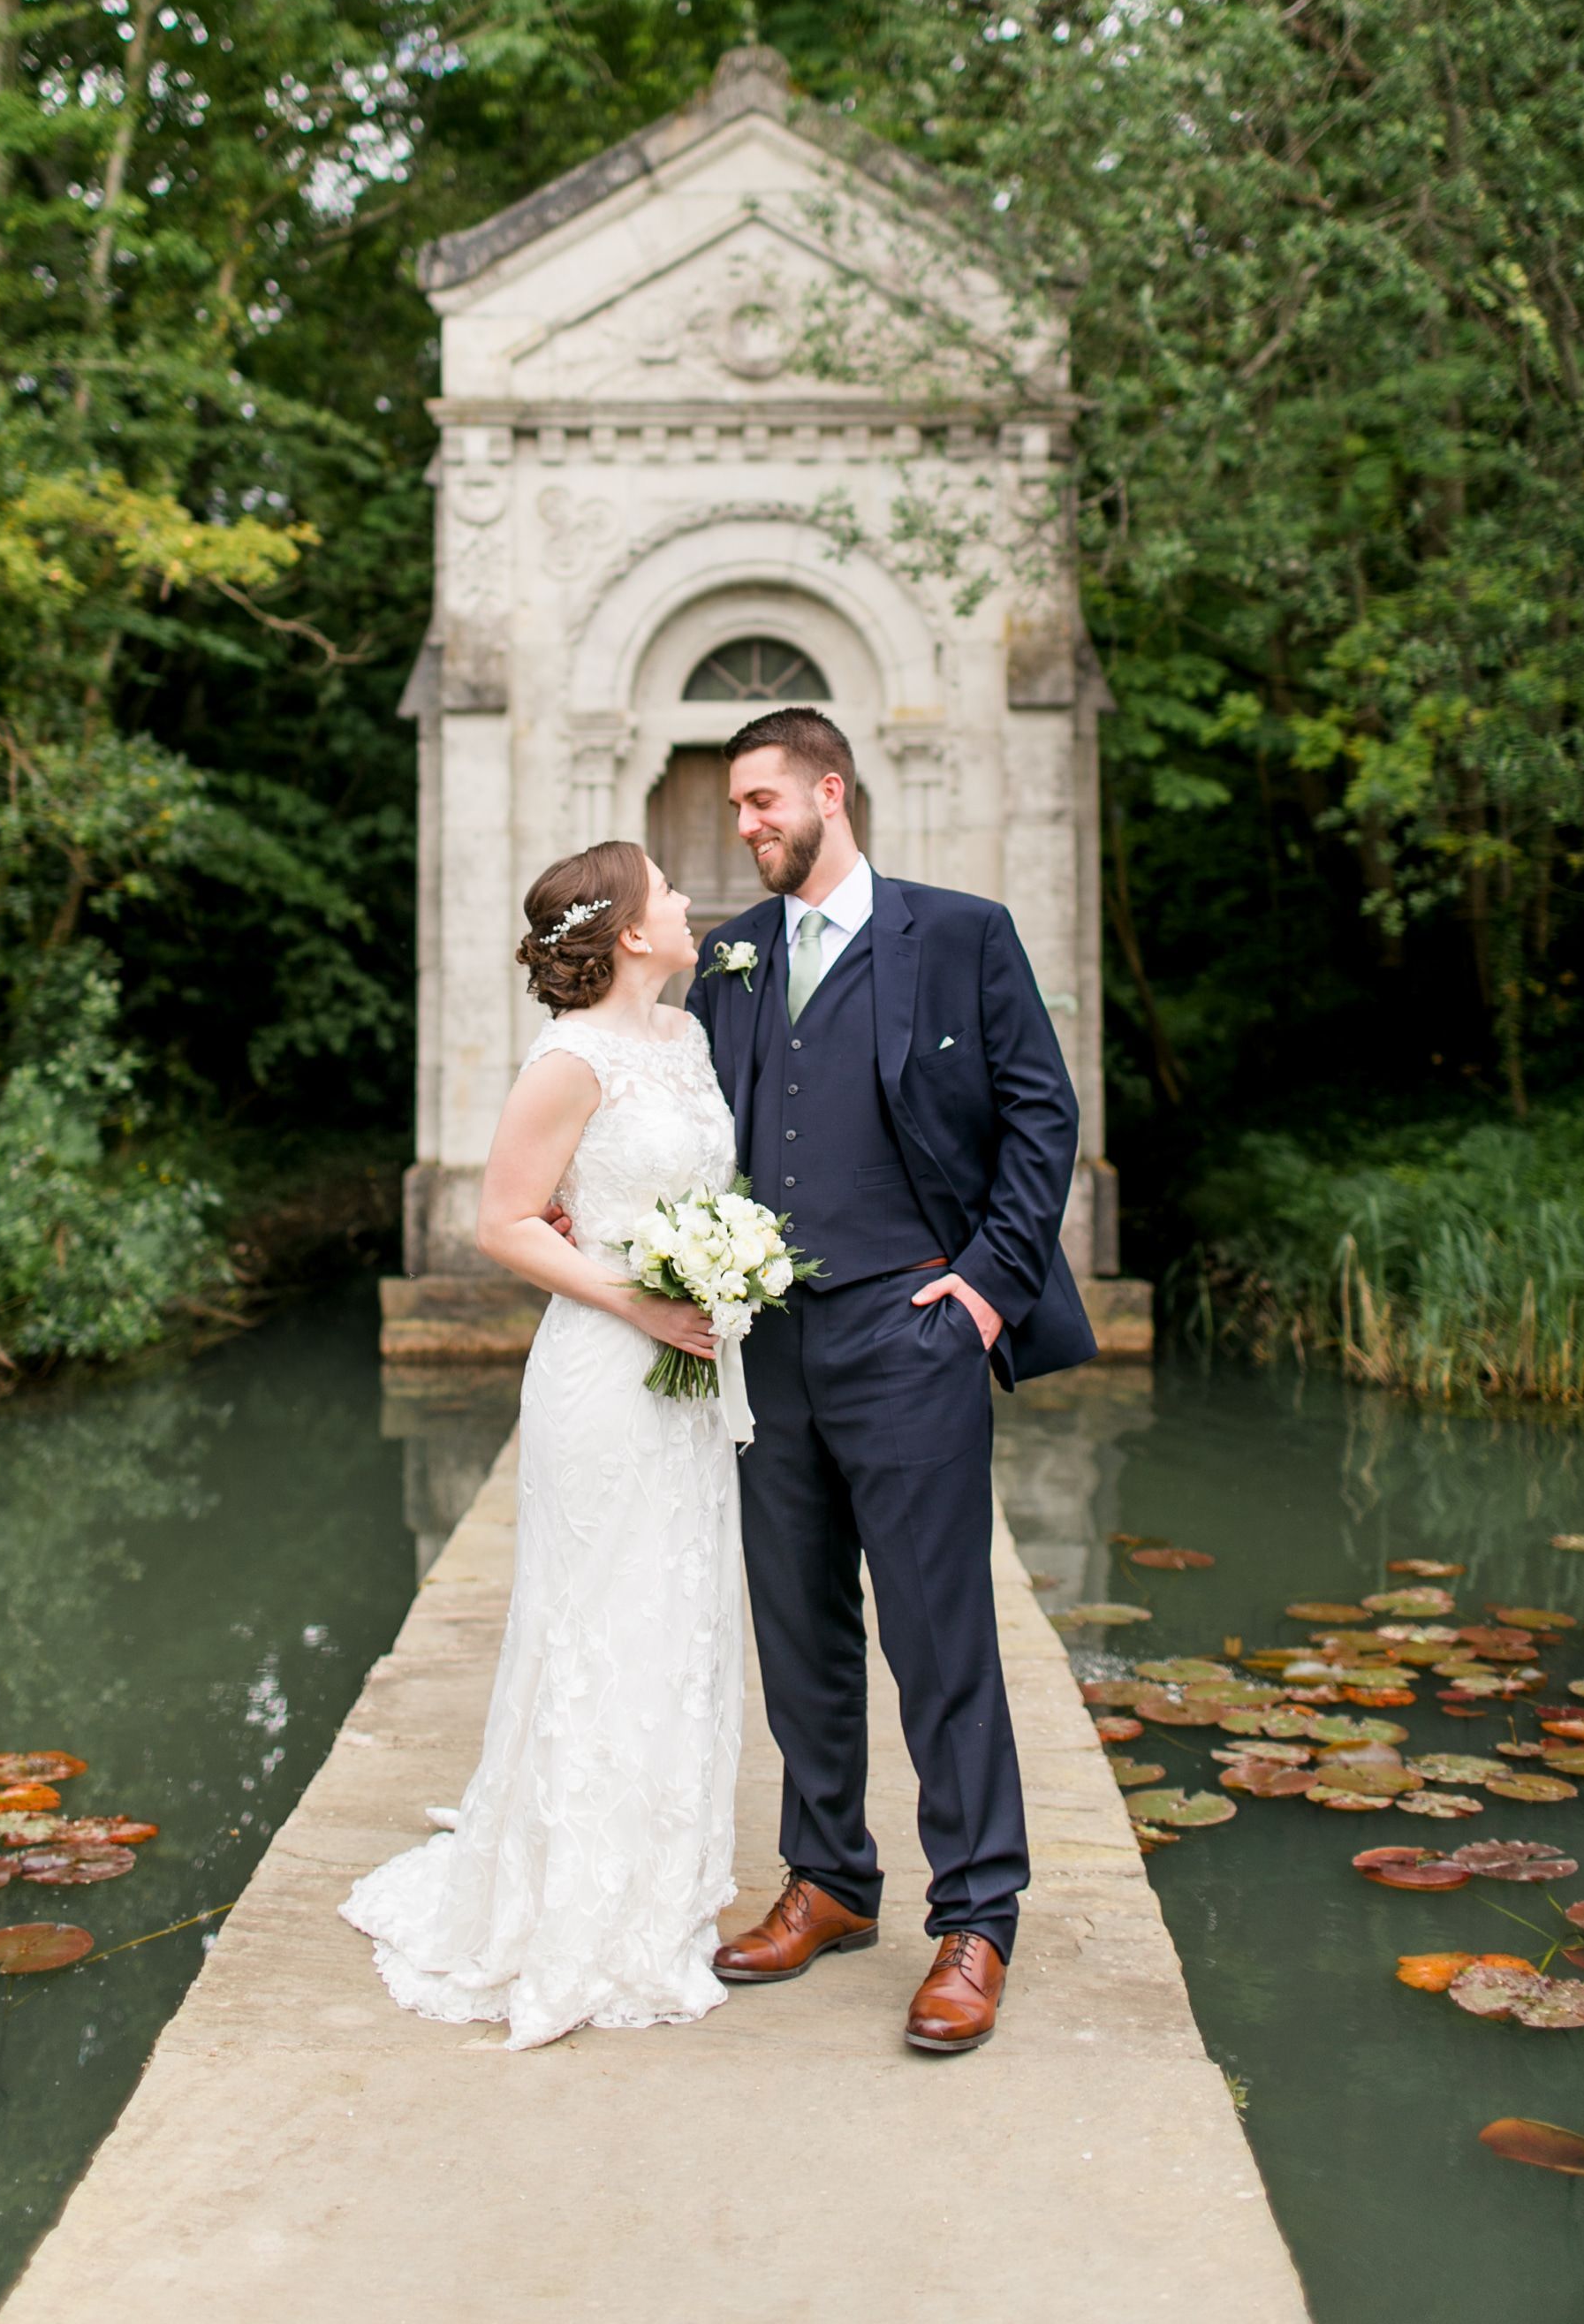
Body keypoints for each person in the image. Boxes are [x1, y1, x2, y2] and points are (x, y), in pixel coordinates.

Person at [688, 707, 1094, 2054]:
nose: (744, 826)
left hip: (910, 1334)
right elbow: (691, 1125)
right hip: (770, 1344)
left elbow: (1044, 1109)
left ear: (829, 791)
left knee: (937, 1637)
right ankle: (831, 1883)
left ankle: (976, 1919)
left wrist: (986, 1284)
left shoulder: (960, 933)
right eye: (737, 808)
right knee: (799, 1637)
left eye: (760, 802)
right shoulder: (731, 958)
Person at [339, 839, 745, 2051]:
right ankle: (570, 1906)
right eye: (668, 893)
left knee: (678, 1618)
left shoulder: (689, 1042)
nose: (685, 904)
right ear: (627, 931)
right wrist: (642, 1300)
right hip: (606, 1374)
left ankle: (660, 1883)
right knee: (599, 1618)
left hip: (690, 1382)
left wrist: (721, 1276)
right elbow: (502, 1222)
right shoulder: (568, 1059)